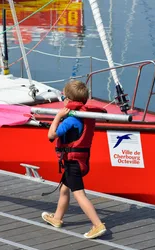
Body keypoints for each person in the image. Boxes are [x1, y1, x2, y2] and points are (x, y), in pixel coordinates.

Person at [41, 80, 107, 239]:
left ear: (68, 101)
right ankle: (57, 218)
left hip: (73, 163)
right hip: (79, 160)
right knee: (64, 189)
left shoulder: (70, 120)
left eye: (63, 97)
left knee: (79, 194)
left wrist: (57, 116)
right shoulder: (83, 117)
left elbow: (51, 135)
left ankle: (97, 225)